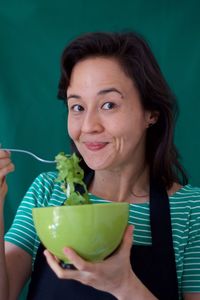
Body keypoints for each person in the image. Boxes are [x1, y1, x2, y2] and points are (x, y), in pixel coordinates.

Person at [0, 31, 200, 300]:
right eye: (78, 107)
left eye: (108, 104)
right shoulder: (46, 192)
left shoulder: (191, 210)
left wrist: (124, 286)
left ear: (150, 113)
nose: (88, 127)